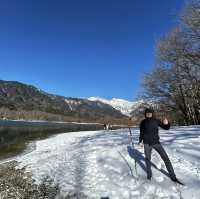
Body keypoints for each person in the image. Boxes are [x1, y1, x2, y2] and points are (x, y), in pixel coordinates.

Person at [139, 108, 178, 182]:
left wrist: (167, 123)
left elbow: (166, 128)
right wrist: (140, 141)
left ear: (152, 113)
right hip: (147, 143)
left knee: (166, 158)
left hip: (156, 143)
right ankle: (149, 176)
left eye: (150, 113)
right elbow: (141, 133)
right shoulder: (143, 122)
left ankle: (173, 176)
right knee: (147, 160)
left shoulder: (156, 121)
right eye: (147, 113)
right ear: (145, 114)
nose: (148, 114)